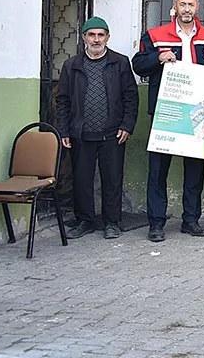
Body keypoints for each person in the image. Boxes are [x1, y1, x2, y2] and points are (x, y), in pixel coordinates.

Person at [132, 0, 204, 243]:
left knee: (195, 170)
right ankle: (156, 223)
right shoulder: (155, 35)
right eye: (182, 4)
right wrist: (158, 57)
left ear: (198, 7)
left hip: (199, 112)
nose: (187, 9)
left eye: (191, 5)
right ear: (175, 6)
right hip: (167, 111)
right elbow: (138, 64)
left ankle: (191, 221)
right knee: (158, 170)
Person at [55, 16, 138, 240]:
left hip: (113, 133)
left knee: (112, 179)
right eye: (92, 35)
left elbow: (131, 97)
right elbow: (62, 100)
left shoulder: (119, 63)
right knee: (82, 180)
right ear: (84, 37)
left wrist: (127, 125)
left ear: (108, 37)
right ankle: (85, 221)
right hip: (81, 133)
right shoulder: (71, 66)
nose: (96, 39)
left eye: (101, 35)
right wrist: (64, 131)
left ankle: (112, 222)